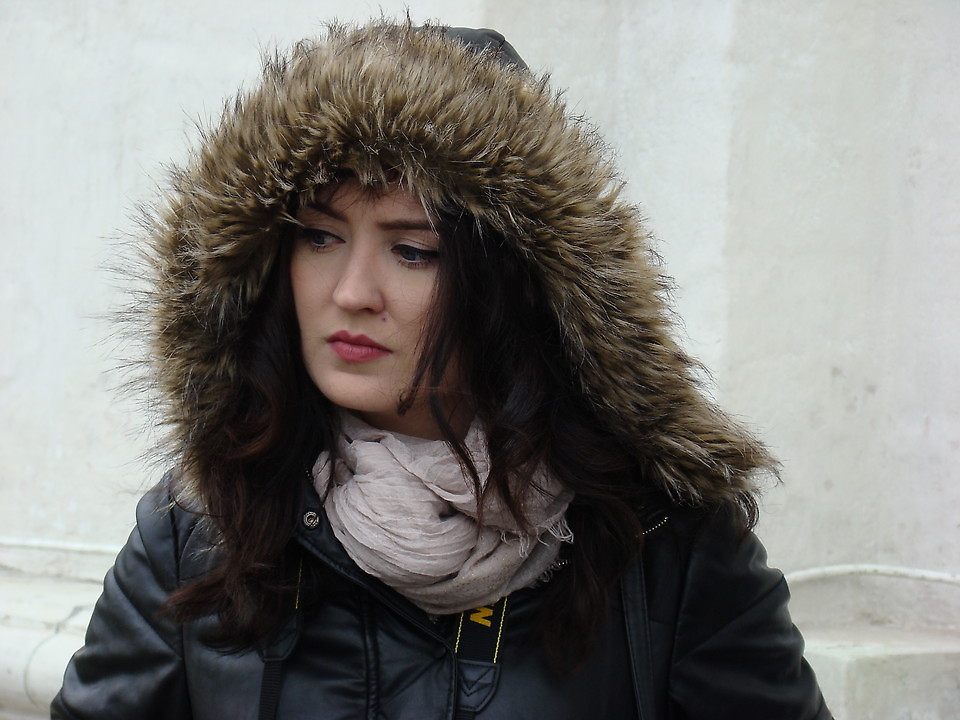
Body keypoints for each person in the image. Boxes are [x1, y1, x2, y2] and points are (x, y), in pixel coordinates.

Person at [52, 20, 832, 720]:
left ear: (513, 284)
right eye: (319, 237)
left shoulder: (665, 544)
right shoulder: (197, 531)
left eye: (412, 250)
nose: (351, 293)